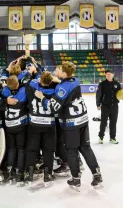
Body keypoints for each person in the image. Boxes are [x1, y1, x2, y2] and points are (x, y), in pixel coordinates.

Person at [35, 62, 102, 190]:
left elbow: (52, 107)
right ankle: (97, 175)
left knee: (71, 150)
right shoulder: (75, 81)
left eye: (58, 69)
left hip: (71, 123)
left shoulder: (62, 88)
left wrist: (42, 97)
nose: (56, 70)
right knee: (86, 148)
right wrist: (58, 80)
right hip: (82, 120)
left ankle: (76, 179)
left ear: (64, 73)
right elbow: (64, 84)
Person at [25, 71, 59, 187]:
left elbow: (29, 81)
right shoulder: (55, 92)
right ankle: (48, 174)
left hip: (34, 123)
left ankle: (29, 173)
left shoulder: (32, 88)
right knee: (48, 150)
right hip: (49, 125)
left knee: (32, 149)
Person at [1, 75, 28, 186]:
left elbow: (6, 88)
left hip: (9, 126)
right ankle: (20, 172)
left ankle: (10, 171)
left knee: (11, 148)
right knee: (21, 148)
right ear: (17, 84)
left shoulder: (4, 92)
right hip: (20, 125)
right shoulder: (23, 92)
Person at [96, 69, 123, 144]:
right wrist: (98, 104)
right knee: (103, 123)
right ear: (105, 75)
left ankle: (112, 138)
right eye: (107, 74)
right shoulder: (102, 84)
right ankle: (101, 137)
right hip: (105, 106)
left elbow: (120, 94)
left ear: (113, 75)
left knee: (113, 123)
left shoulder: (117, 83)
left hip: (115, 106)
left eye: (110, 74)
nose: (108, 75)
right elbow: (98, 95)